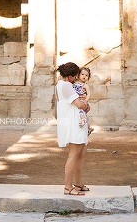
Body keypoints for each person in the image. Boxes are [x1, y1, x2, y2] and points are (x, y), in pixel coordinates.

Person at [56, 62, 90, 195]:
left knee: (81, 154)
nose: (76, 79)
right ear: (70, 76)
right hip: (74, 122)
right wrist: (86, 107)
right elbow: (79, 104)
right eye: (75, 76)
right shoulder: (67, 86)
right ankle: (68, 187)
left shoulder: (59, 84)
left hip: (74, 121)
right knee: (73, 155)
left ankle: (78, 183)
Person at [73, 67, 94, 135]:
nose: (84, 76)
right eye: (82, 74)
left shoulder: (85, 85)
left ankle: (83, 120)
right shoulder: (75, 82)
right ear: (78, 75)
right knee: (84, 114)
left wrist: (86, 100)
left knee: (80, 110)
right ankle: (89, 127)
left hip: (82, 100)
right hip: (76, 99)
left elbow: (89, 94)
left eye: (86, 75)